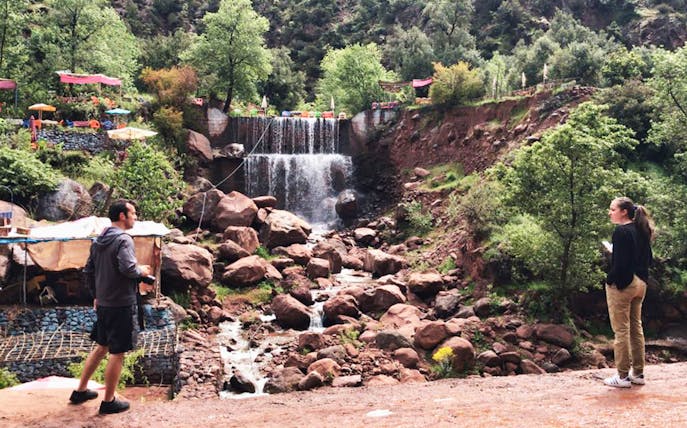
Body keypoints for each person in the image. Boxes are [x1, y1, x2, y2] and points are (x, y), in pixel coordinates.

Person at [68, 200, 152, 413]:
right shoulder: (124, 239)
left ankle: (80, 391)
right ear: (122, 216)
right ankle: (108, 401)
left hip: (104, 303)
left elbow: (88, 271)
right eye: (133, 213)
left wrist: (96, 295)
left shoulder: (99, 240)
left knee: (101, 346)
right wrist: (141, 270)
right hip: (121, 304)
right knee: (118, 351)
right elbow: (128, 268)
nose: (135, 217)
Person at [603, 197, 654, 388]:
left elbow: (621, 265)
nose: (610, 212)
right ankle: (638, 374)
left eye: (612, 209)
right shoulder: (641, 230)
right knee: (636, 328)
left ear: (624, 211)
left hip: (624, 285)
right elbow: (649, 259)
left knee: (621, 330)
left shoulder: (621, 231)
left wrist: (611, 280)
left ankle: (622, 377)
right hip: (641, 283)